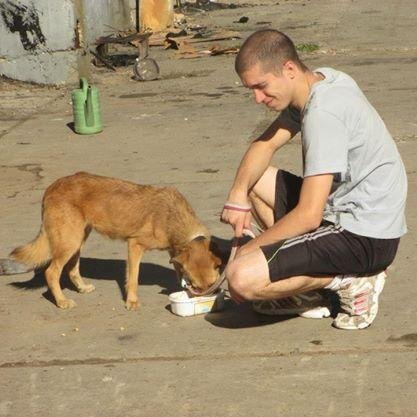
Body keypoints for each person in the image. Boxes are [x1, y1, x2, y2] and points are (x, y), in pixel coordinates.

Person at [221, 29, 407, 330]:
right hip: (349, 213)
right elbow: (264, 145)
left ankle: (352, 282)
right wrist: (238, 195)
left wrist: (248, 251)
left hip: (365, 236)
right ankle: (309, 290)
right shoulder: (323, 80)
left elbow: (308, 215)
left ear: (289, 69)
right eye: (251, 89)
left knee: (241, 278)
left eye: (261, 86)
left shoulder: (325, 114)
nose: (257, 98)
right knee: (255, 181)